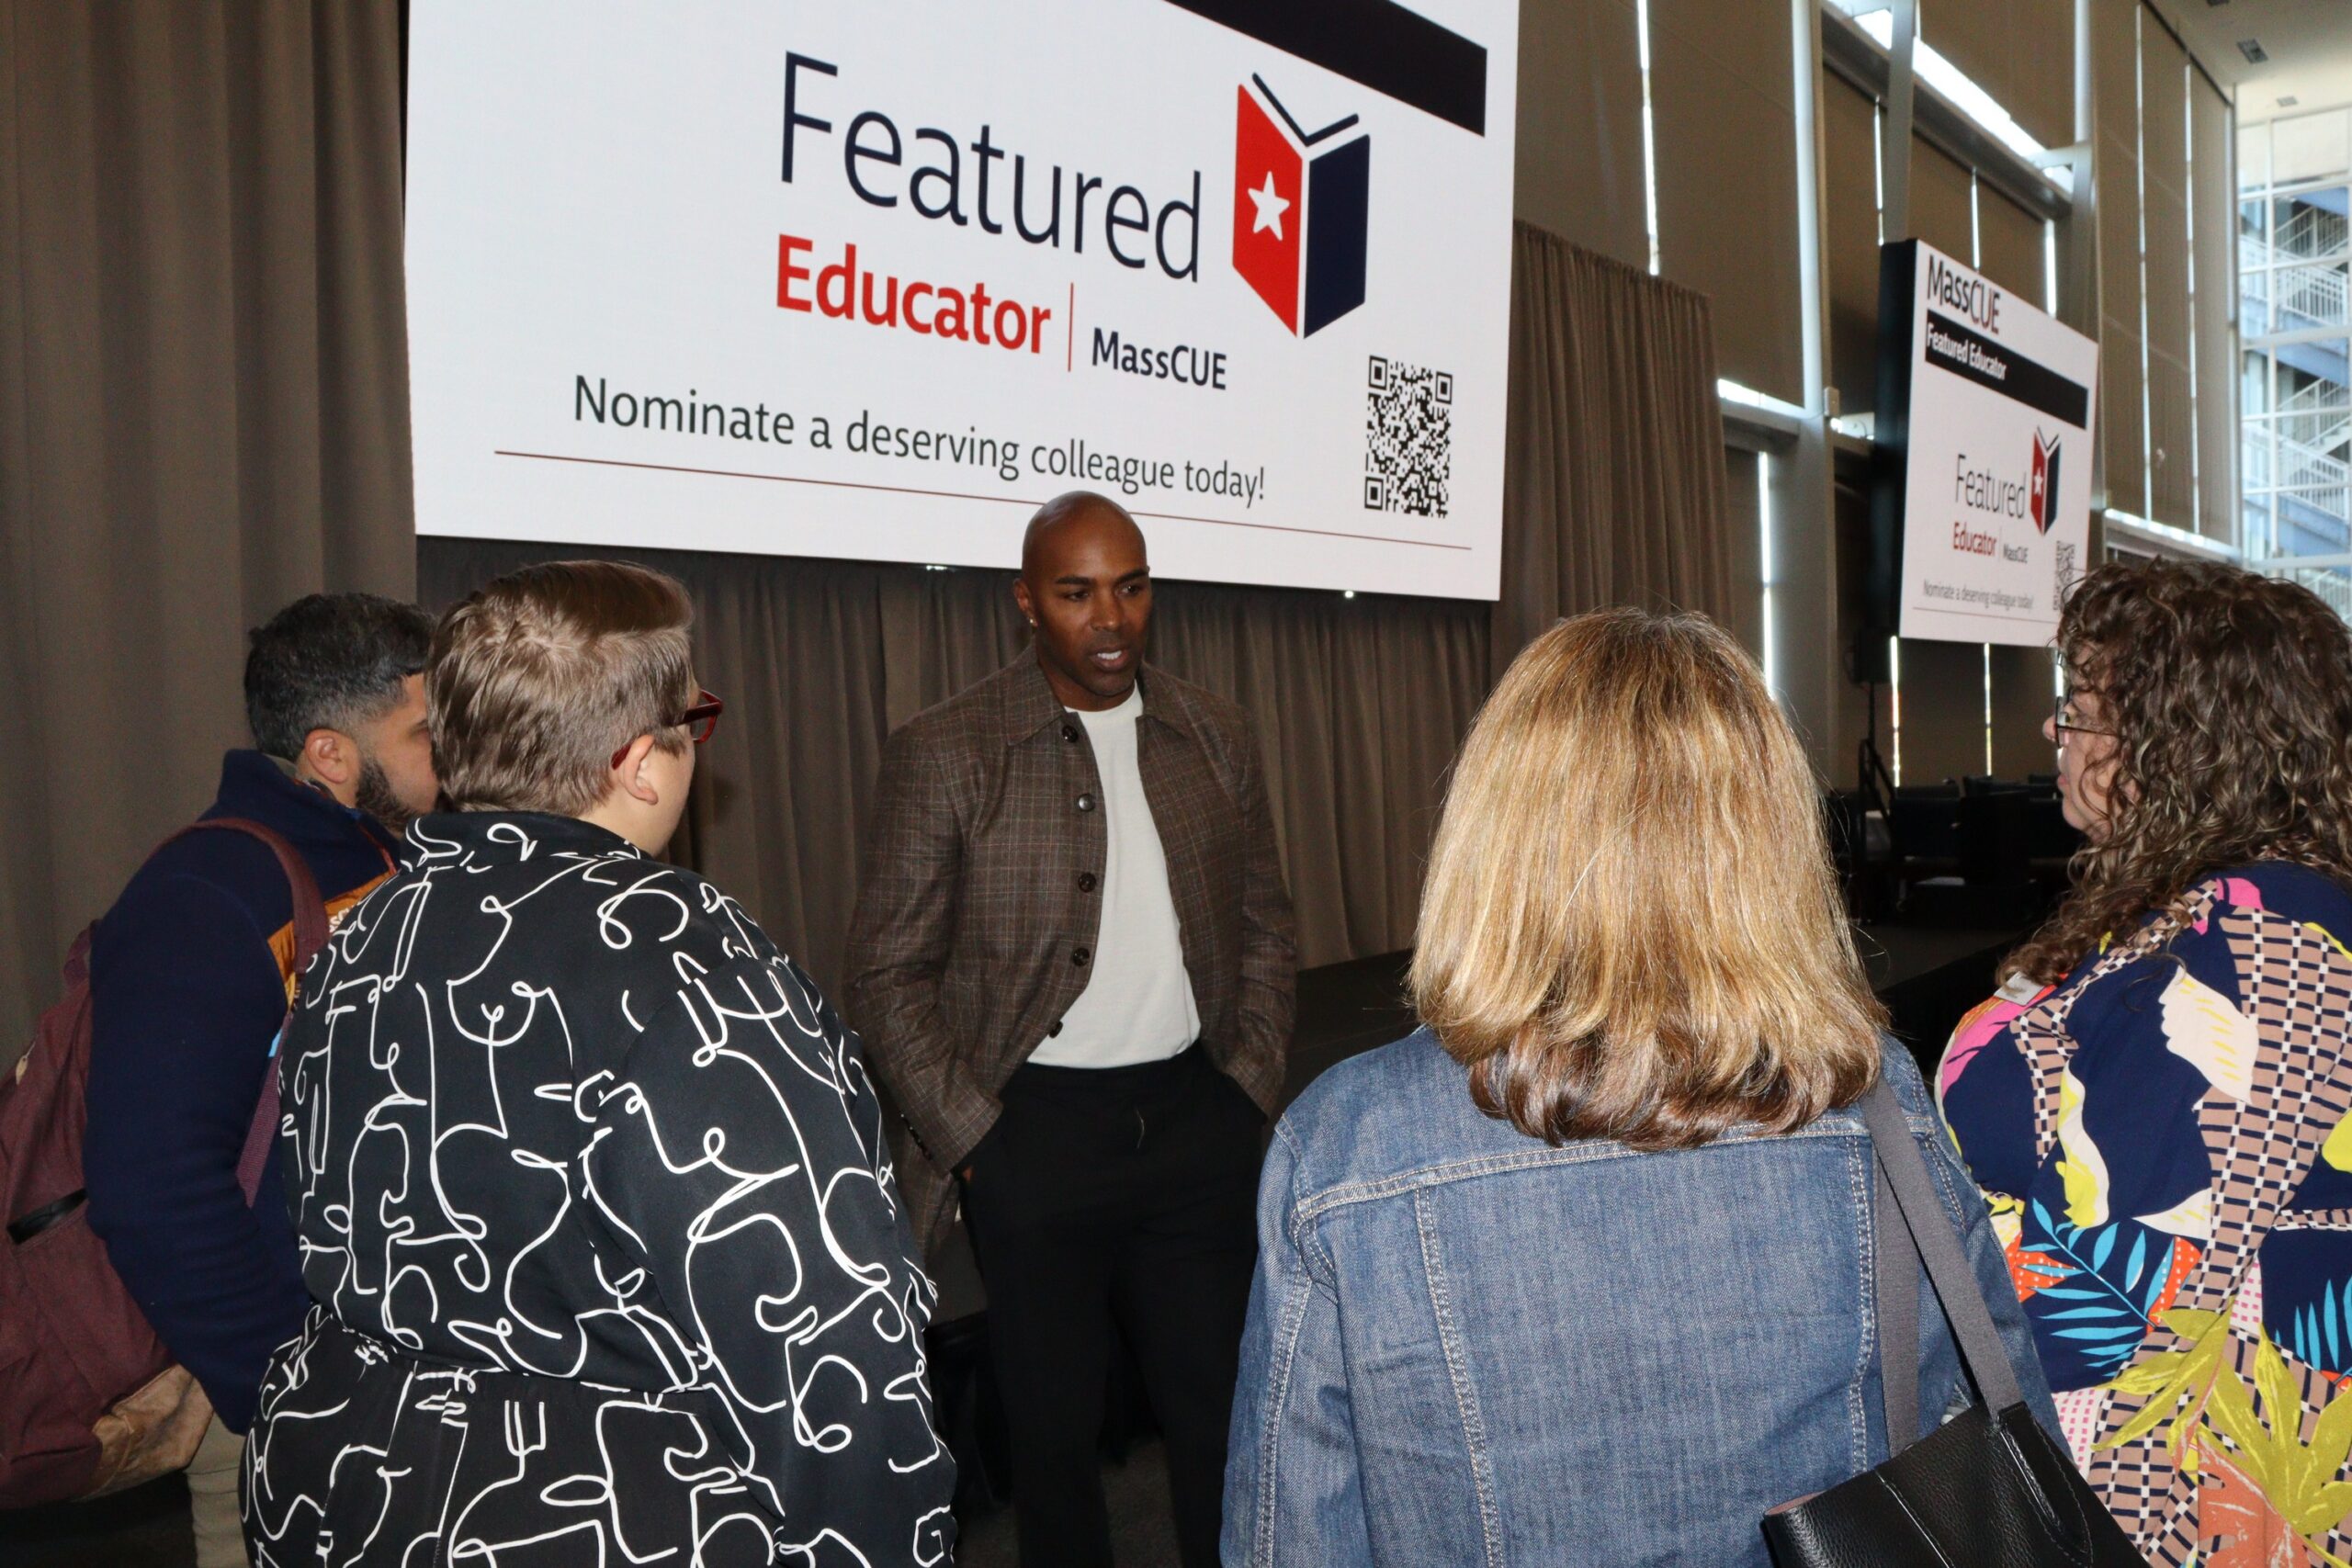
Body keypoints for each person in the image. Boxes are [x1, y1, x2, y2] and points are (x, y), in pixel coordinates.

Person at [1223, 608, 2056, 1567]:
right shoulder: (1875, 1100)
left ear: (1491, 835)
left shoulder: (1347, 1143)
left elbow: (1288, 1540)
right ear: (1771, 841)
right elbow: (2005, 1420)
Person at [238, 561, 953, 1566]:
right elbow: (829, 1340)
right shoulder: (691, 961)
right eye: (690, 717)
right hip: (601, 1517)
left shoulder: (360, 936)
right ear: (642, 763)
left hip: (346, 1493)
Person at [846, 491, 1295, 1568]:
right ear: (1026, 604)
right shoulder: (947, 749)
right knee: (1051, 1444)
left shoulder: (1213, 733)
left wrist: (1244, 1095)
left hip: (1196, 1123)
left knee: (1220, 1423)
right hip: (1031, 1138)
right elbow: (883, 975)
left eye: (1131, 587)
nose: (1111, 617)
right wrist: (980, 1144)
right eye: (1078, 591)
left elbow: (1265, 925)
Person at [1940, 559, 2352, 1563]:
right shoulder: (2303, 914)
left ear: (2175, 746)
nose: (2055, 732)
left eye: (2078, 709)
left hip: (2175, 1482)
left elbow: (2102, 1237)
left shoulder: (2208, 961)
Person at [84, 592, 436, 1568]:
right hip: (292, 1412)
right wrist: (296, 1391)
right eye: (424, 734)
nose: (452, 757)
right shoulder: (207, 895)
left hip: (402, 1388)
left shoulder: (401, 862)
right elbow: (152, 1186)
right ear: (331, 756)